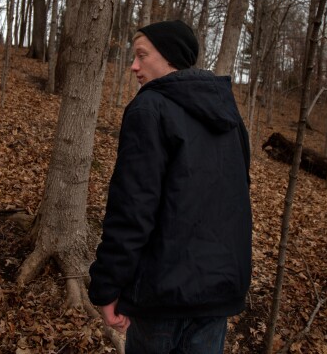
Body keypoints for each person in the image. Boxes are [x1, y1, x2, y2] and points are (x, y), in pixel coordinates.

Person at [88, 20, 252, 353]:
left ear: (170, 56)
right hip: (218, 295)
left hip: (162, 297)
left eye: (141, 55)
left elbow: (132, 209)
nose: (134, 66)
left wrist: (106, 288)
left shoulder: (149, 108)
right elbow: (236, 201)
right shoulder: (228, 113)